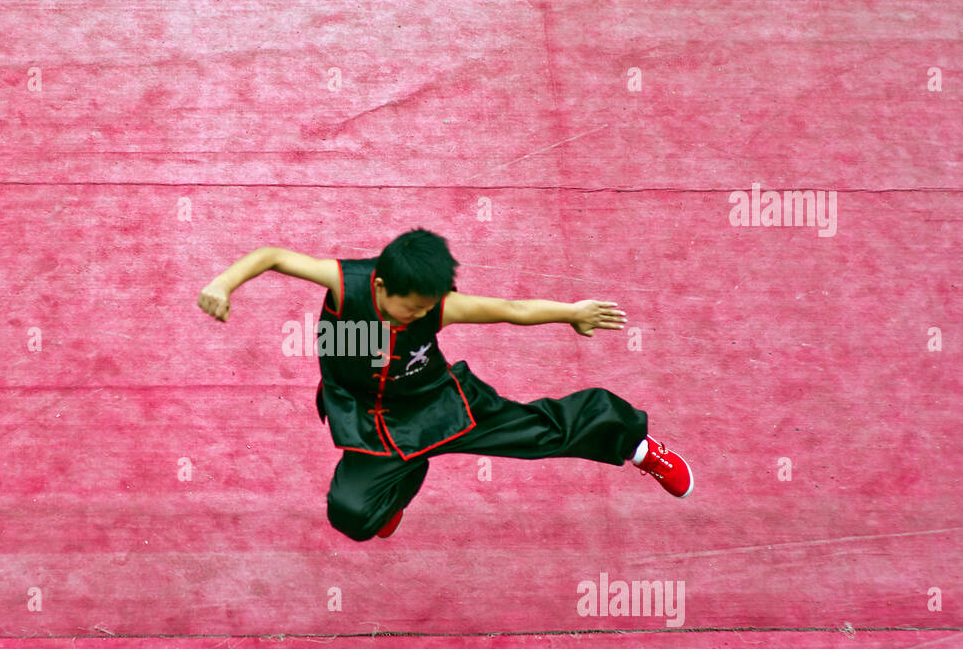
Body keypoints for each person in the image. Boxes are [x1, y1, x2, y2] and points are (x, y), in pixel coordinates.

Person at [197, 228, 692, 541]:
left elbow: (512, 311)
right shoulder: (343, 282)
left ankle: (641, 446)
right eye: (410, 307)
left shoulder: (438, 305)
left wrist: (571, 314)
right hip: (366, 419)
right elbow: (272, 255)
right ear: (382, 286)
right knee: (350, 515)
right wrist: (223, 284)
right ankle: (402, 480)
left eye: (427, 307)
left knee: (540, 432)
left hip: (438, 405)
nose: (419, 315)